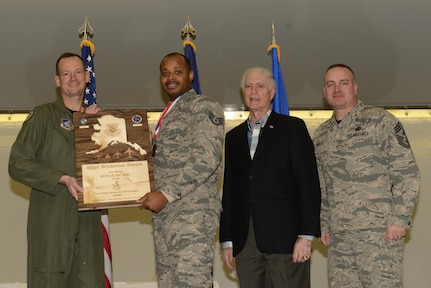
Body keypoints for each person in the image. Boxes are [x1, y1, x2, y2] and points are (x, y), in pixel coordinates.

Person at [313, 63, 421, 288]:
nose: (337, 89)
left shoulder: (380, 121)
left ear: (355, 87)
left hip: (379, 234)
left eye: (344, 83)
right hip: (340, 238)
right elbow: (321, 185)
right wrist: (323, 224)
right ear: (324, 91)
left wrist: (399, 219)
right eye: (330, 84)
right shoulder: (322, 135)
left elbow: (407, 172)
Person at [219, 67, 321, 288]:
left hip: (286, 238)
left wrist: (306, 235)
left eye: (260, 86)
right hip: (245, 241)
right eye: (248, 86)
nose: (254, 91)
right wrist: (227, 240)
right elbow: (229, 191)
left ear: (272, 92)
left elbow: (308, 183)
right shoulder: (233, 137)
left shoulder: (292, 128)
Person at [8, 52, 104, 288]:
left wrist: (98, 126)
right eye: (66, 73)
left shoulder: (99, 121)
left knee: (90, 281)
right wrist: (62, 179)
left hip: (89, 224)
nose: (73, 78)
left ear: (87, 77)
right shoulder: (43, 117)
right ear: (57, 81)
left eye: (78, 72)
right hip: (52, 221)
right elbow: (17, 163)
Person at [137, 52, 224, 288]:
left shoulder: (202, 106)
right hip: (165, 218)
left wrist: (165, 194)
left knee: (190, 283)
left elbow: (206, 159)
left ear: (191, 75)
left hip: (191, 215)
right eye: (165, 73)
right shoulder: (169, 114)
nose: (170, 78)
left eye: (177, 71)